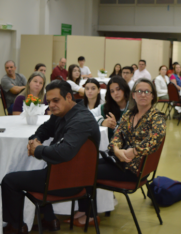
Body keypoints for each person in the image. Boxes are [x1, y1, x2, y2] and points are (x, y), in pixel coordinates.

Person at [1, 80, 100, 234]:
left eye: (56, 100)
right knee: (33, 170)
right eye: (49, 101)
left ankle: (16, 227)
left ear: (68, 97)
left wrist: (37, 150)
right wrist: (36, 139)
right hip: (63, 175)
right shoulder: (64, 112)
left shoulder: (81, 119)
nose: (52, 105)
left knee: (9, 181)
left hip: (69, 182)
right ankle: (48, 217)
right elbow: (45, 128)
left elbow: (63, 152)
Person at [70, 78, 166, 226]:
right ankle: (84, 210)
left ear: (153, 96)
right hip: (121, 161)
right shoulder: (130, 115)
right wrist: (116, 149)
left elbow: (154, 139)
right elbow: (117, 135)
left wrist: (132, 152)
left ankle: (89, 215)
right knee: (86, 164)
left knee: (87, 170)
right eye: (139, 91)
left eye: (147, 91)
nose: (143, 95)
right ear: (133, 95)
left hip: (134, 169)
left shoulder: (157, 117)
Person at [91, 77, 130, 141]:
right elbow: (86, 115)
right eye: (112, 91)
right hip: (108, 148)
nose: (115, 93)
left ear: (125, 89)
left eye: (118, 89)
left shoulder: (133, 107)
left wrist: (116, 127)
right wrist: (102, 122)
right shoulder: (106, 107)